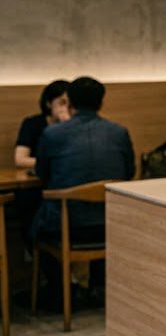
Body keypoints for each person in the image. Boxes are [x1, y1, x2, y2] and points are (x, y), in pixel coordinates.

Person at [31, 76, 136, 299]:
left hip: (66, 226)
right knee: (98, 212)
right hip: (109, 223)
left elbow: (42, 174)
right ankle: (98, 287)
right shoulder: (119, 132)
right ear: (101, 103)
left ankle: (59, 292)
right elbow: (129, 173)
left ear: (70, 103)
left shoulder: (52, 134)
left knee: (30, 220)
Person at [14, 80, 70, 169]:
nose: (67, 108)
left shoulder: (75, 124)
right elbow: (20, 160)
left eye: (70, 104)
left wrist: (68, 126)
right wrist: (55, 163)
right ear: (48, 103)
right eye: (62, 103)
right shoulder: (32, 123)